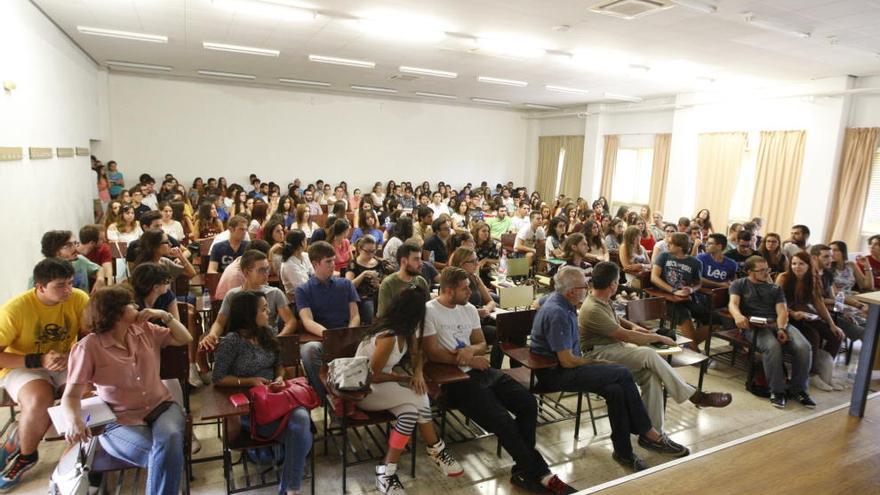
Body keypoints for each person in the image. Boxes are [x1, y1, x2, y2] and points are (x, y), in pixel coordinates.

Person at [423, 267, 576, 494]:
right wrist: (464, 359)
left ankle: (525, 470)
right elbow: (432, 352)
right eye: (465, 288)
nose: (470, 291)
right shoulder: (429, 311)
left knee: (527, 403)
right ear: (448, 290)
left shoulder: (468, 310)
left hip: (481, 370)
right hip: (454, 379)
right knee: (502, 420)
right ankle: (541, 473)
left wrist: (471, 353)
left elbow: (481, 344)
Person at [60, 285, 192, 495]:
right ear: (116, 312)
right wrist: (73, 420)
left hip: (162, 407)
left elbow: (185, 338)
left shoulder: (145, 329)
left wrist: (165, 315)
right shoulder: (88, 347)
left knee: (169, 441)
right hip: (118, 419)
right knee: (166, 454)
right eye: (130, 304)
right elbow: (70, 396)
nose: (136, 306)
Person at [580, 263, 731, 436]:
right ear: (613, 284)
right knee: (648, 354)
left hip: (614, 348)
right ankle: (694, 395)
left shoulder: (602, 299)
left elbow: (617, 321)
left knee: (651, 377)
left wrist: (634, 326)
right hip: (598, 353)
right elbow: (626, 336)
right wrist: (659, 337)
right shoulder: (593, 308)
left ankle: (653, 433)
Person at [356, 287, 463, 494]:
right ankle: (436, 449)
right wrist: (403, 377)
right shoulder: (389, 336)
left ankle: (386, 471)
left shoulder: (407, 329)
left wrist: (418, 374)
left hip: (383, 387)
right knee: (419, 395)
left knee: (411, 412)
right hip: (364, 391)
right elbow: (373, 375)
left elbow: (417, 355)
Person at [212, 291, 312, 495]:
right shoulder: (232, 341)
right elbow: (218, 377)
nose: (269, 312)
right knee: (302, 434)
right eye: (264, 309)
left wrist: (279, 378)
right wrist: (249, 381)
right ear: (249, 314)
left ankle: (290, 489)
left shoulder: (266, 332)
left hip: (275, 397)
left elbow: (279, 365)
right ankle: (292, 488)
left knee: (301, 419)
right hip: (251, 406)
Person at [0, 259, 88, 489]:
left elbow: (90, 335)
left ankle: (81, 455)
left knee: (88, 395)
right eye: (60, 285)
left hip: (64, 360)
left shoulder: (79, 298)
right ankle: (26, 455)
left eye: (70, 283)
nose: (68, 290)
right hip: (23, 365)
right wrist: (38, 360)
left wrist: (70, 356)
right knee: (40, 398)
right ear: (40, 287)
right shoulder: (15, 310)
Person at [728, 255, 814, 408]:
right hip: (754, 325)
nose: (766, 273)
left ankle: (799, 389)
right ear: (749, 271)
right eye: (761, 271)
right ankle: (777, 391)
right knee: (772, 347)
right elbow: (733, 303)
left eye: (767, 269)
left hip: (776, 322)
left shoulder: (775, 288)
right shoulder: (739, 284)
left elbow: (782, 311)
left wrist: (781, 328)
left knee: (804, 347)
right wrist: (738, 316)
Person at [296, 241, 360, 402]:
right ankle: (327, 397)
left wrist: (349, 332)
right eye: (329, 261)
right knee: (308, 350)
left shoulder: (345, 284)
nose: (334, 264)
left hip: (347, 334)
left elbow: (355, 316)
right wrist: (330, 335)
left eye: (333, 260)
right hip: (323, 337)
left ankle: (360, 394)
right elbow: (307, 321)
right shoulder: (303, 290)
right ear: (316, 263)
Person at [777, 251, 845, 392]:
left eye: (801, 264)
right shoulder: (783, 278)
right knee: (813, 336)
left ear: (809, 266)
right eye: (794, 263)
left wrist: (832, 325)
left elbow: (819, 303)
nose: (797, 267)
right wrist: (793, 313)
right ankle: (812, 374)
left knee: (837, 335)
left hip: (805, 315)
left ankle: (824, 370)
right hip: (786, 315)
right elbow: (776, 303)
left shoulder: (813, 279)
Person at [202, 250, 297, 349]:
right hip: (241, 345)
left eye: (267, 269)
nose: (266, 274)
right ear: (246, 272)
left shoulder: (275, 293)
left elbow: (291, 321)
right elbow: (219, 323)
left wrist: (278, 338)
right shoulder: (233, 295)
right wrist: (213, 334)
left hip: (267, 342)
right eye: (261, 270)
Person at [650, 233, 711, 349]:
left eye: (671, 243)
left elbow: (698, 283)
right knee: (684, 314)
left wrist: (691, 289)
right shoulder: (663, 256)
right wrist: (673, 291)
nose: (667, 245)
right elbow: (654, 278)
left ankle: (690, 344)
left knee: (714, 319)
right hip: (666, 297)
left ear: (680, 247)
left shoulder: (696, 263)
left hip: (686, 297)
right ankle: (695, 351)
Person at [36, 230, 103, 294]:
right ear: (55, 251)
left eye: (75, 243)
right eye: (68, 245)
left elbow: (99, 269)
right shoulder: (42, 272)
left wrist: (100, 279)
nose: (75, 248)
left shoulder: (80, 261)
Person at [377, 242, 429, 320]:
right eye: (416, 259)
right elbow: (383, 316)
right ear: (404, 261)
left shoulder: (421, 282)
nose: (421, 263)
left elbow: (427, 310)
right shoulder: (388, 284)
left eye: (420, 259)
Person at [344, 236, 389, 324]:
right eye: (367, 251)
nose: (371, 254)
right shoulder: (353, 264)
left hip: (380, 294)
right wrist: (363, 275)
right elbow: (349, 286)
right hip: (363, 297)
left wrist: (379, 285)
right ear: (360, 249)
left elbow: (388, 283)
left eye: (373, 251)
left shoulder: (380, 263)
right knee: (369, 308)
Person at [279, 230, 314, 301]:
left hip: (311, 294)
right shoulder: (288, 265)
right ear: (302, 243)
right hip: (296, 301)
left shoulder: (306, 255)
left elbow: (314, 273)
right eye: (305, 240)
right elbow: (303, 287)